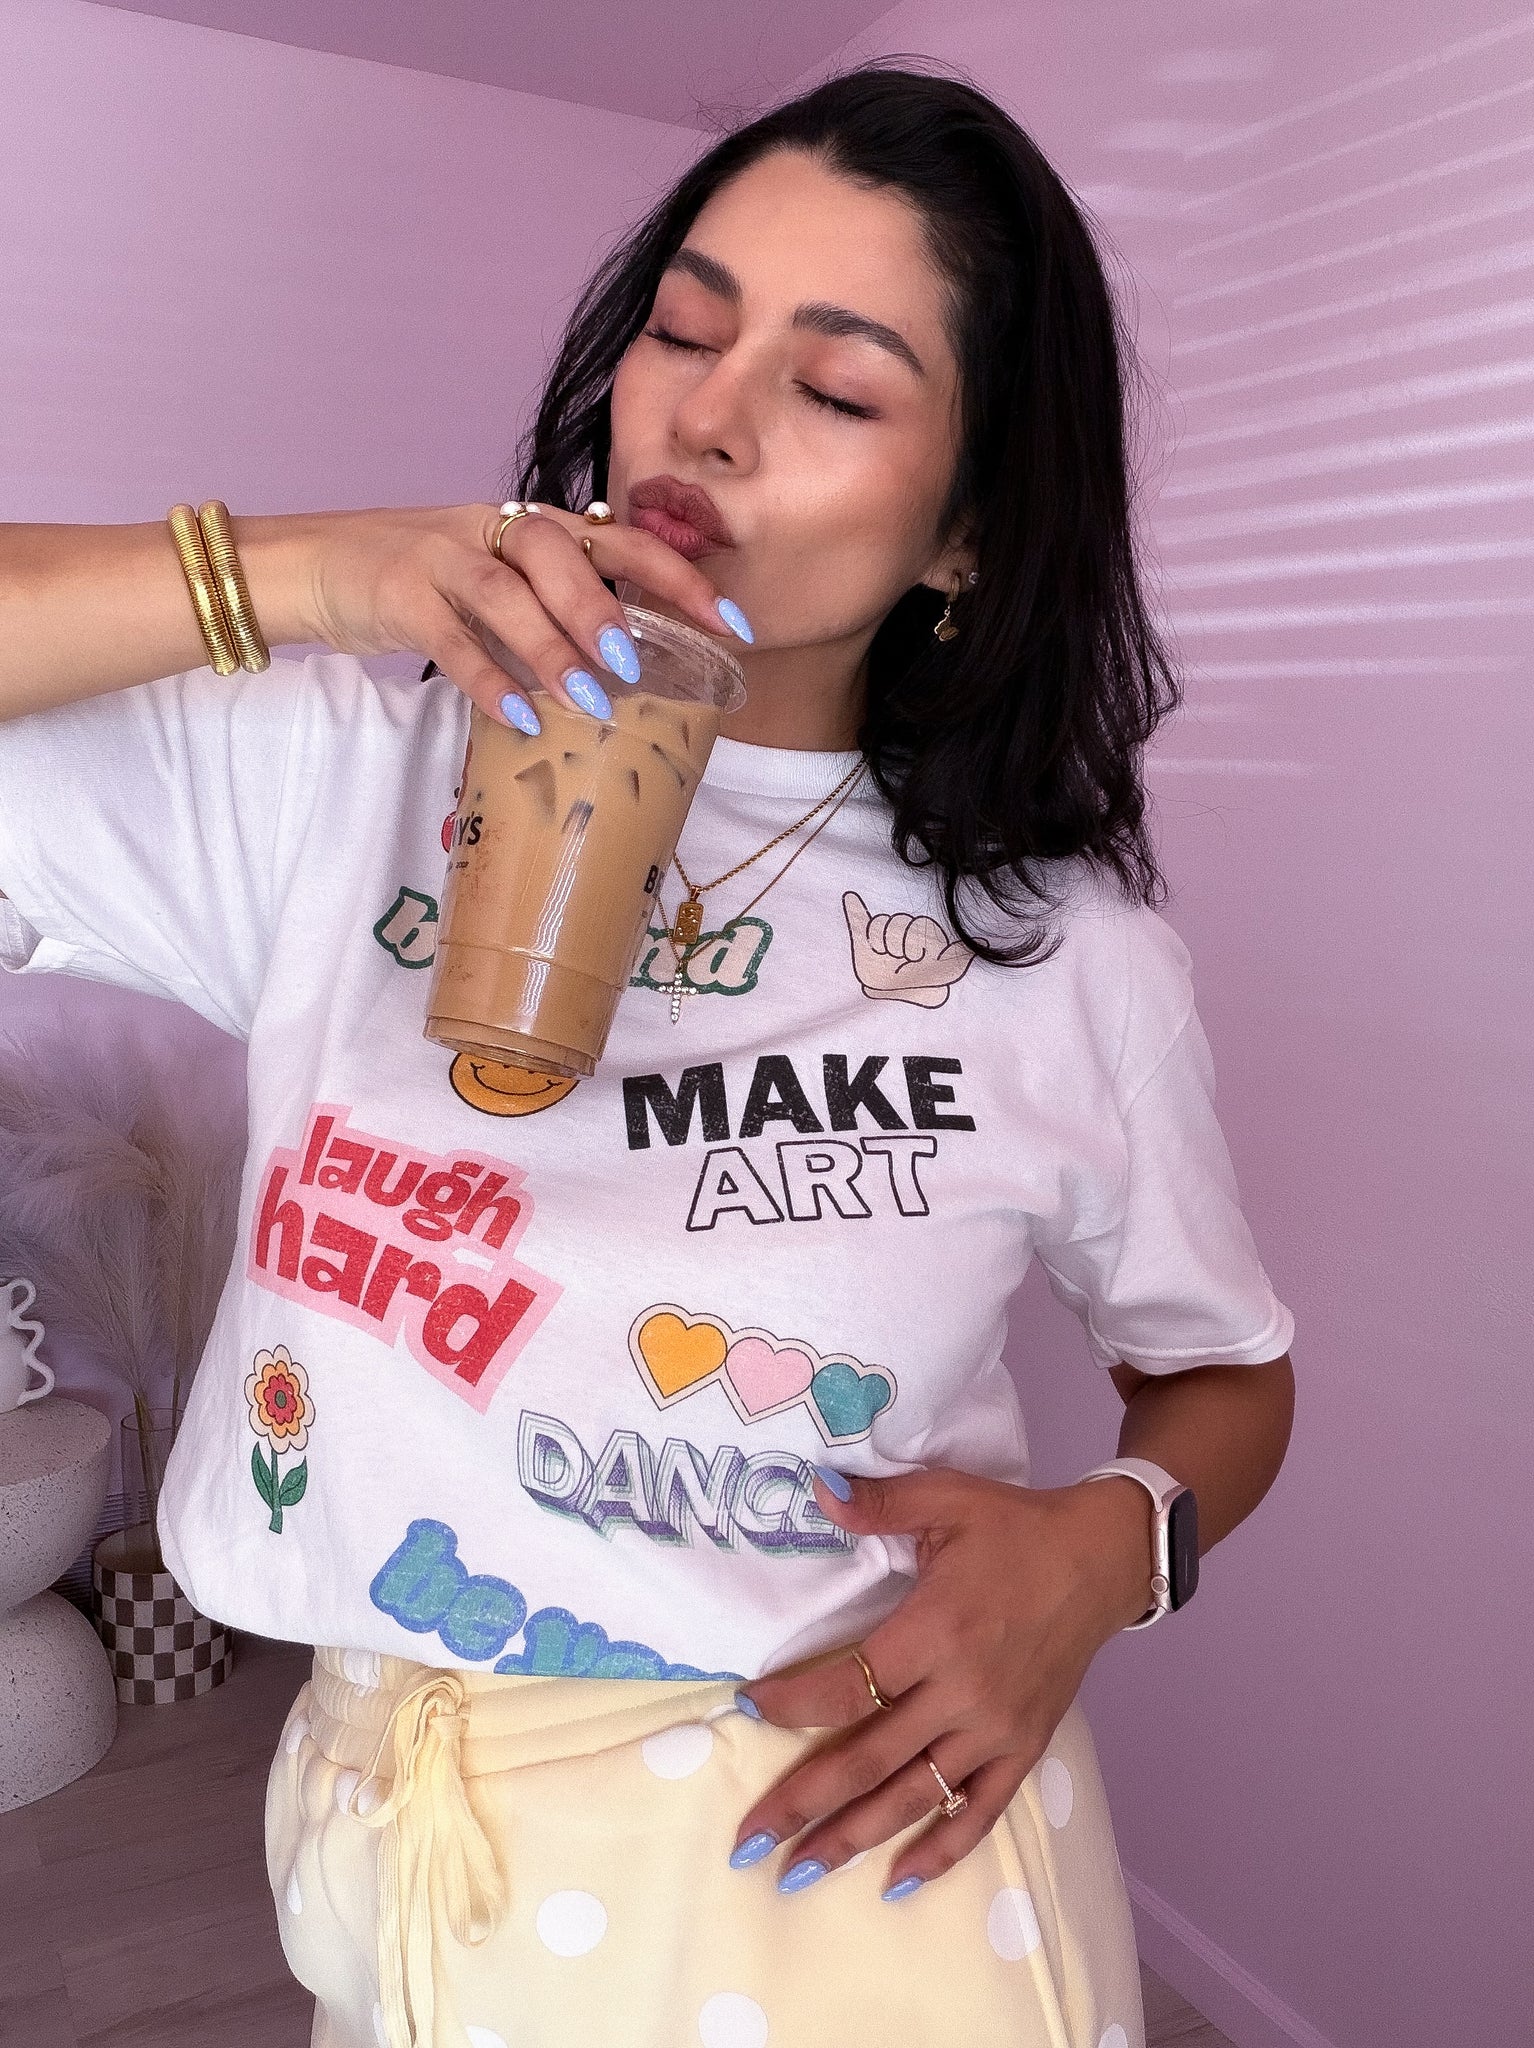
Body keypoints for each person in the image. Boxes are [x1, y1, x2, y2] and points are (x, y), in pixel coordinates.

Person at [0, 63, 1294, 2048]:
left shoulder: (1063, 961)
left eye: (835, 387)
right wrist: (308, 573)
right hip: (395, 1845)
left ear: (969, 532)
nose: (709, 411)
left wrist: (1112, 1554)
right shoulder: (342, 780)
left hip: (851, 1875)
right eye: (687, 330)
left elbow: (1226, 1373)